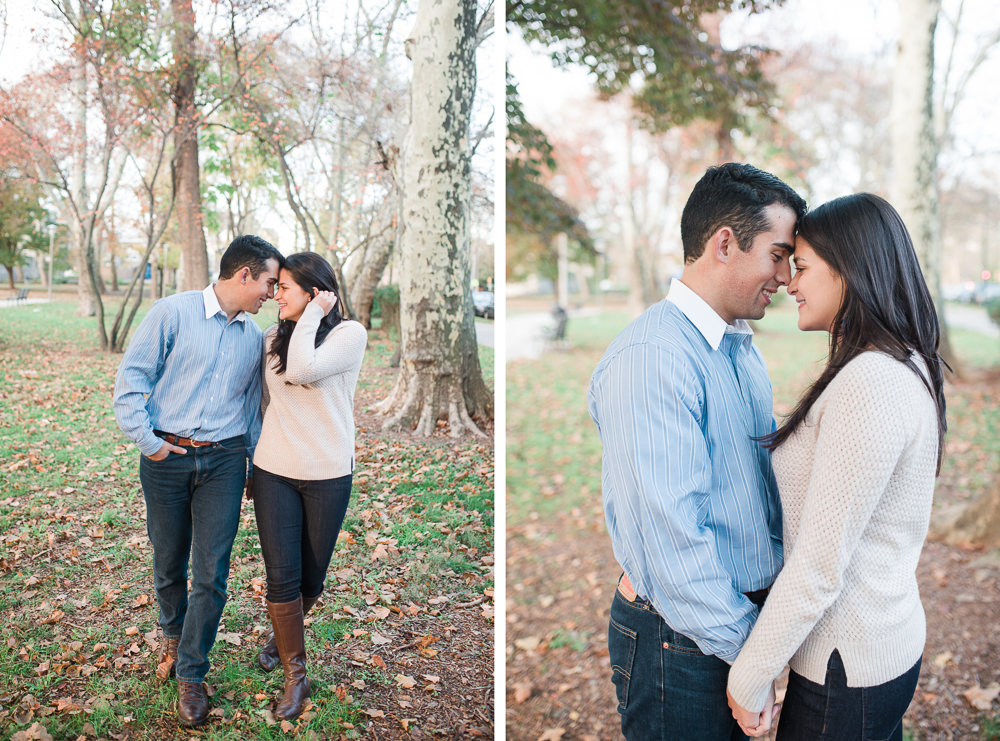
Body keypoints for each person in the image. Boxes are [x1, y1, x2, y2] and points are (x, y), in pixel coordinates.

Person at [587, 163, 807, 741]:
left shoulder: (737, 345)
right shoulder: (654, 358)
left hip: (730, 630)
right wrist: (749, 658)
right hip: (680, 643)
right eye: (778, 254)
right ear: (725, 244)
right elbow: (670, 539)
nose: (786, 278)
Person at [726, 193, 947, 740]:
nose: (790, 283)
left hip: (845, 665)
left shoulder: (870, 382)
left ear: (849, 271)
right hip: (876, 649)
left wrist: (749, 677)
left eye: (801, 267)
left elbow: (820, 565)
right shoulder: (898, 362)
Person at [113, 235, 282, 727]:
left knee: (212, 571)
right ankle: (172, 631)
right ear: (244, 275)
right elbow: (131, 381)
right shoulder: (172, 313)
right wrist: (151, 443)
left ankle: (191, 671)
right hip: (167, 457)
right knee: (168, 560)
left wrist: (251, 463)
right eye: (269, 282)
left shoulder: (253, 337)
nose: (271, 293)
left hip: (225, 462)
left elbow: (251, 409)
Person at [250, 251, 367, 721]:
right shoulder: (270, 337)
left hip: (328, 472)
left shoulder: (348, 334)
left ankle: (281, 636)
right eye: (274, 286)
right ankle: (296, 677)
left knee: (312, 579)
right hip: (274, 468)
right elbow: (261, 401)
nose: (275, 294)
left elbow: (301, 370)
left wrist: (315, 314)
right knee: (282, 576)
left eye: (285, 288)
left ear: (316, 293)